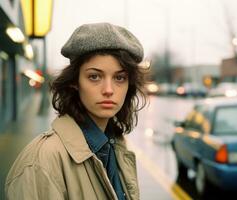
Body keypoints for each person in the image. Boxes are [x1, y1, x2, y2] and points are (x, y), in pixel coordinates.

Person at [5, 22, 148, 200]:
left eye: (119, 77)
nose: (109, 89)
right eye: (94, 76)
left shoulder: (116, 147)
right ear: (74, 82)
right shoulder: (41, 163)